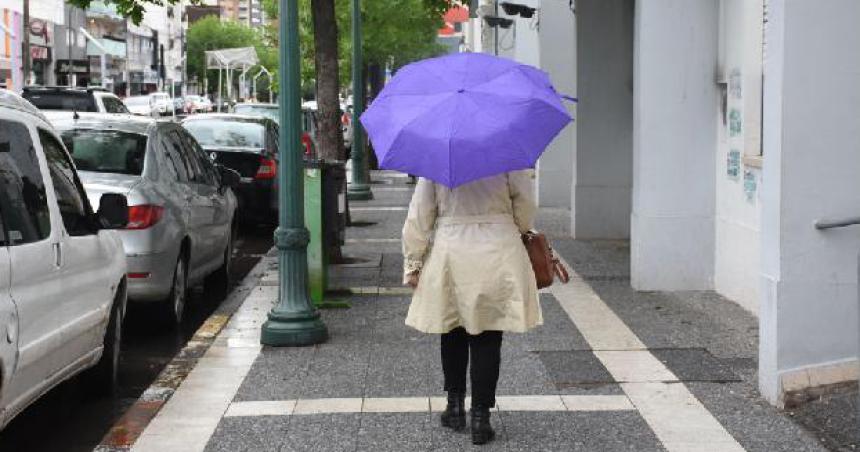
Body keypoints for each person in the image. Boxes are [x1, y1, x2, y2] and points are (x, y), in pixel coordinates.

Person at [402, 170, 542, 445]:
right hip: (497, 249)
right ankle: (481, 417)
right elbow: (525, 206)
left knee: (451, 328)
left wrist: (413, 262)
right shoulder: (507, 156)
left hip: (451, 250)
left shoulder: (437, 159)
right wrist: (515, 228)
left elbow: (419, 215)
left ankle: (454, 407)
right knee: (488, 336)